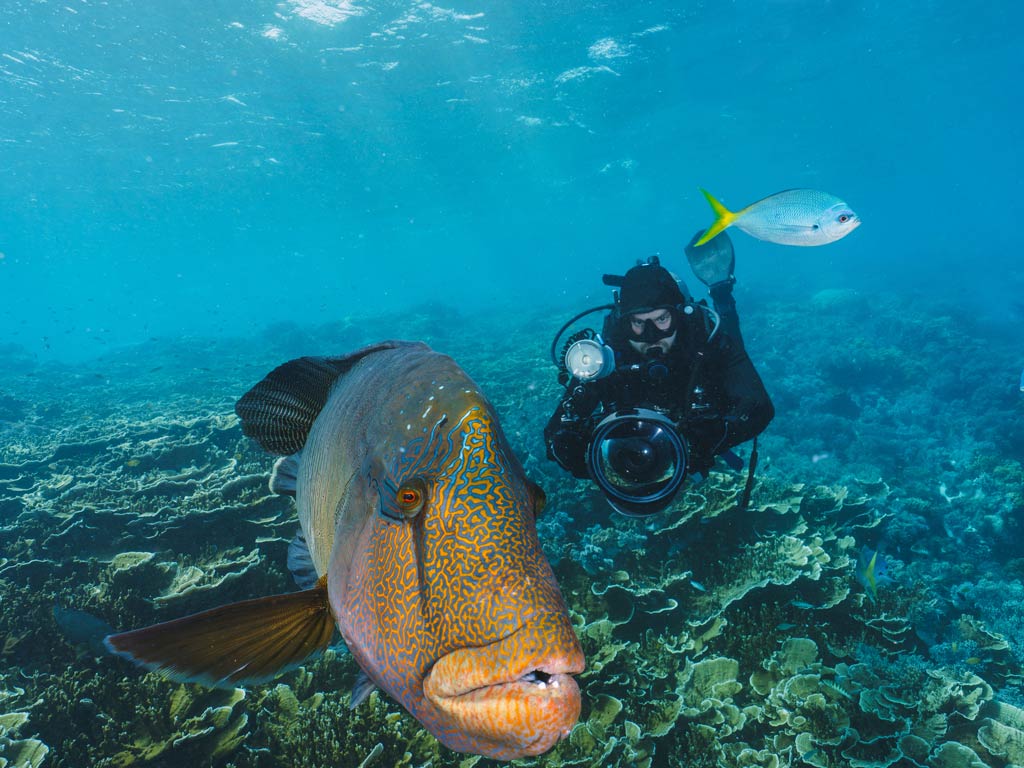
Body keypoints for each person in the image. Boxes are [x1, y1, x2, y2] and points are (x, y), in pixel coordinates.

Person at [544, 230, 774, 517]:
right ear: (622, 322)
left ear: (678, 315)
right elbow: (555, 431)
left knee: (726, 333)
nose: (651, 335)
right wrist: (569, 449)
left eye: (662, 319)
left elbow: (759, 408)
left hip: (701, 400)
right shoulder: (606, 354)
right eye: (638, 323)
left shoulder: (702, 339)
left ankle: (721, 292)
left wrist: (719, 434)